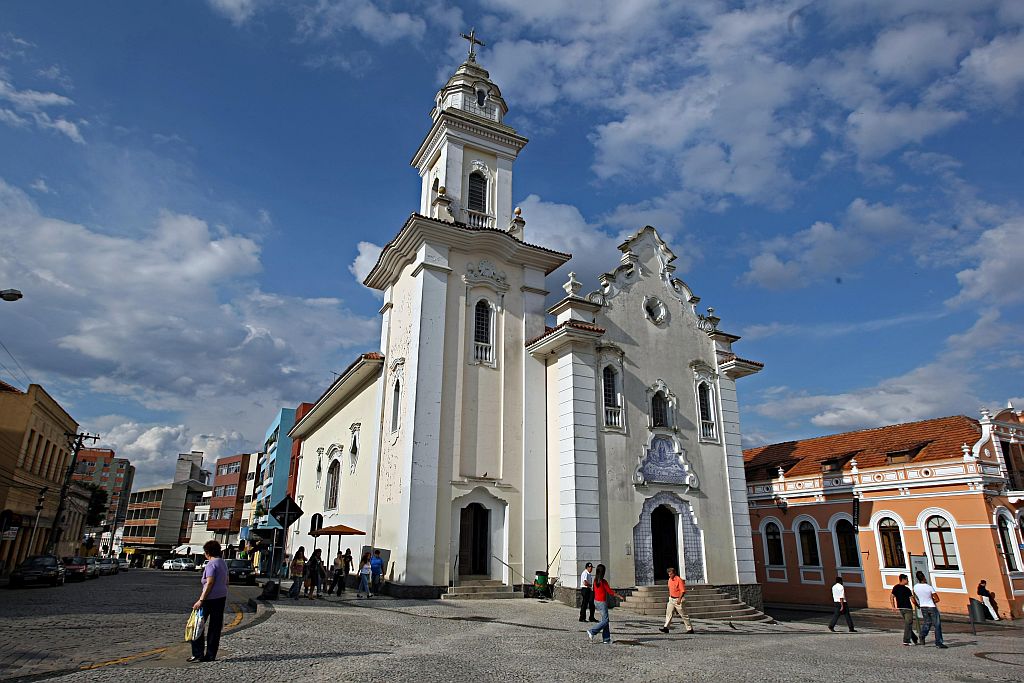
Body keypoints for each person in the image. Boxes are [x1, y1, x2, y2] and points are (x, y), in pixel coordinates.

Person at [188, 540, 228, 663]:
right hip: (221, 597)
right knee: (215, 627)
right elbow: (227, 580)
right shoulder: (223, 563)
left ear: (207, 553)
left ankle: (197, 653)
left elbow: (210, 582)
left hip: (209, 598)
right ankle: (211, 655)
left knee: (197, 625)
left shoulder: (211, 564)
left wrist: (201, 600)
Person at [586, 564, 621, 645]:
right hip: (602, 602)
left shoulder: (595, 581)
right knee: (605, 620)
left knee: (605, 620)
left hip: (596, 601)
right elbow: (609, 591)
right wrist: (618, 595)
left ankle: (606, 638)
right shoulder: (603, 581)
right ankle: (592, 631)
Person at [914, 571, 947, 648]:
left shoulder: (915, 587)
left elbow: (916, 596)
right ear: (924, 577)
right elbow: (937, 599)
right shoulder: (929, 587)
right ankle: (939, 642)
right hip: (931, 606)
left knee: (927, 622)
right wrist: (932, 600)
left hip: (923, 606)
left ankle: (922, 635)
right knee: (937, 625)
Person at [658, 567, 694, 635]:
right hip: (671, 599)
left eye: (671, 574)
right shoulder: (670, 580)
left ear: (674, 573)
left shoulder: (679, 580)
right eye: (669, 574)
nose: (669, 575)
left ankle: (690, 629)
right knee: (669, 613)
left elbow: (682, 591)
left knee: (683, 615)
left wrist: (679, 599)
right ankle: (666, 627)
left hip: (678, 599)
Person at [890, 574, 919, 645]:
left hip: (901, 608)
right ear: (903, 579)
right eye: (907, 579)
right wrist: (918, 605)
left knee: (907, 623)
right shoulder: (907, 589)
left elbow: (891, 596)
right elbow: (913, 599)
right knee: (908, 624)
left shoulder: (896, 587)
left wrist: (893, 606)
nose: (908, 581)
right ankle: (906, 640)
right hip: (907, 608)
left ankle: (914, 638)